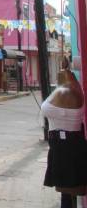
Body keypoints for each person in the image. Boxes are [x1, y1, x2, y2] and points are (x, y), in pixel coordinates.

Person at [42, 59, 87, 208]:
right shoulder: (69, 87)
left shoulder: (67, 91)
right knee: (66, 191)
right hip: (63, 144)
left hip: (67, 146)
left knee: (68, 188)